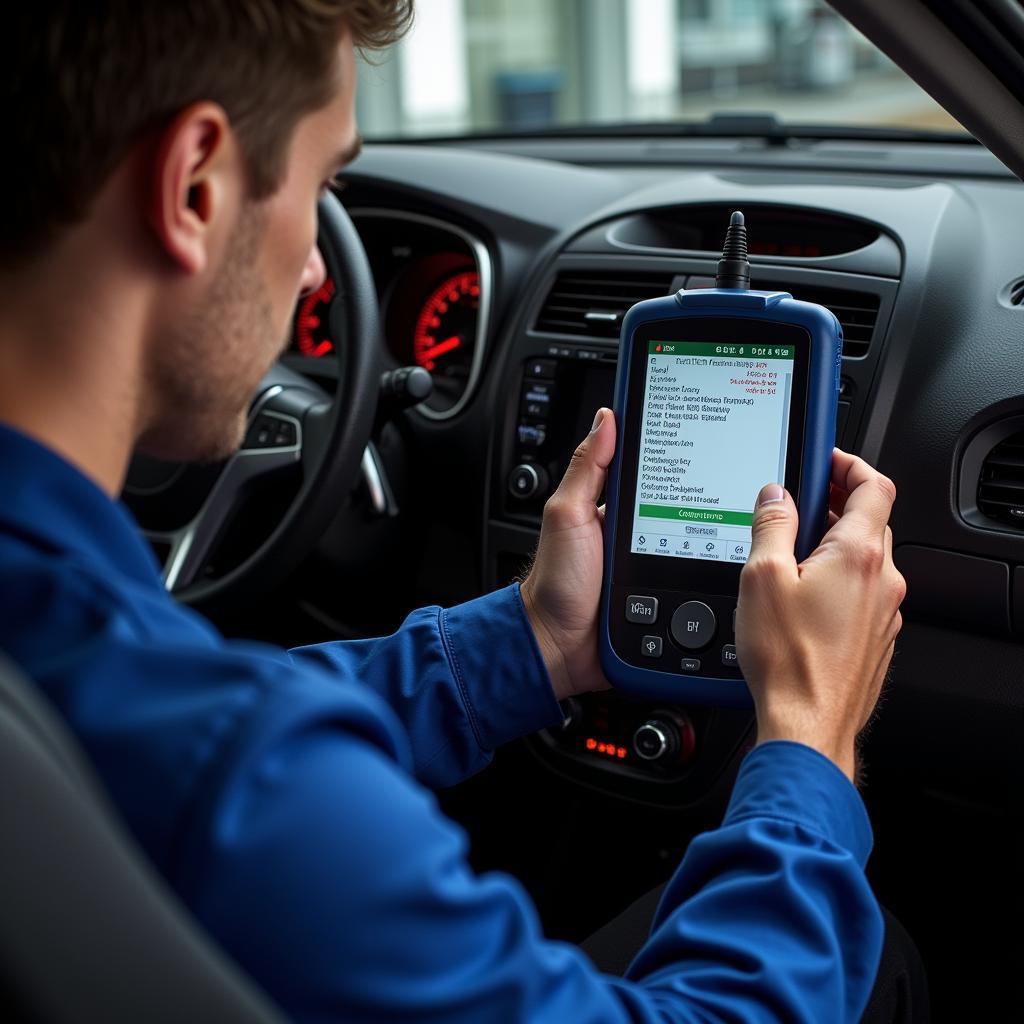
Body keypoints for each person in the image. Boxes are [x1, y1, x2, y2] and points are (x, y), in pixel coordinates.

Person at [0, 2, 912, 1021]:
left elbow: (202, 705)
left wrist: (536, 640)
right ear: (196, 186)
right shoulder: (246, 779)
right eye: (322, 185)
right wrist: (808, 739)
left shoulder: (82, 659)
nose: (314, 272)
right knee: (875, 962)